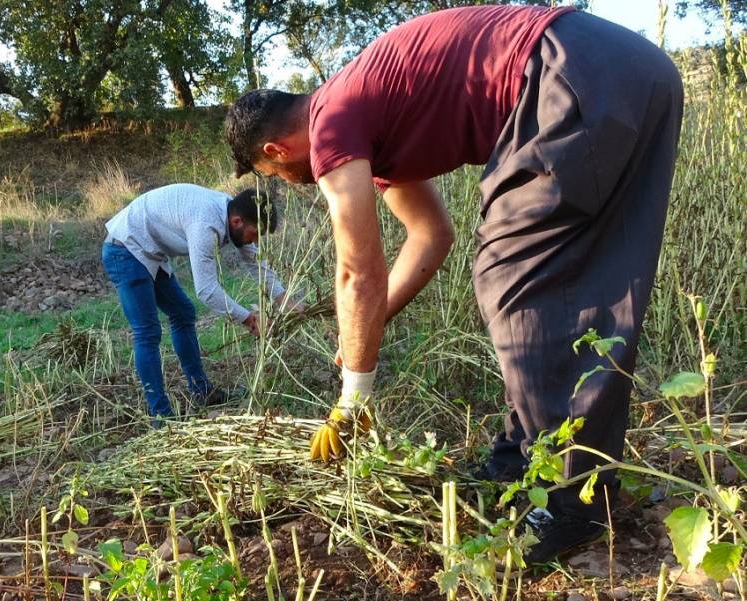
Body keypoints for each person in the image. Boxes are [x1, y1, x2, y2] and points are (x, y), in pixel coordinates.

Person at [224, 5, 682, 565]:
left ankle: (573, 502)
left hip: (566, 72)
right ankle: (529, 461)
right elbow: (429, 235)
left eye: (276, 177)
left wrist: (353, 395)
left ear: (275, 152)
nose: (290, 184)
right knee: (588, 273)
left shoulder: (331, 125)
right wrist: (370, 327)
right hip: (631, 71)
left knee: (513, 274)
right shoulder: (367, 117)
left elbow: (356, 270)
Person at [103, 184, 297, 424]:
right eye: (255, 234)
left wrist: (287, 301)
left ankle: (201, 391)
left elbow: (256, 264)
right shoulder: (206, 224)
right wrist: (247, 318)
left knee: (183, 313)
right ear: (237, 221)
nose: (255, 241)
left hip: (149, 251)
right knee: (147, 331)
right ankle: (160, 416)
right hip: (124, 249)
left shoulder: (232, 213)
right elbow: (206, 290)